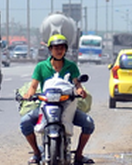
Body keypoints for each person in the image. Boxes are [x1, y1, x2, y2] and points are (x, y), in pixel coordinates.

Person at [20, 34, 95, 164]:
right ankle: (37, 153)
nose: (59, 51)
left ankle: (78, 154)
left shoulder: (71, 66)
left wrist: (79, 90)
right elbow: (33, 85)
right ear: (50, 49)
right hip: (46, 105)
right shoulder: (41, 67)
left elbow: (76, 83)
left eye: (61, 48)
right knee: (25, 122)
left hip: (67, 106)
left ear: (65, 49)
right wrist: (28, 95)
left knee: (88, 123)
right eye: (56, 48)